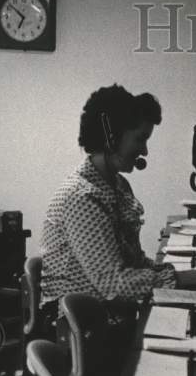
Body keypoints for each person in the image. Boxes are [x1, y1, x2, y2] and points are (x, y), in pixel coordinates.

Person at [41, 84, 178, 309]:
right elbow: (112, 284)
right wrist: (179, 280)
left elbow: (132, 261)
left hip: (108, 311)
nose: (145, 151)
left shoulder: (118, 185)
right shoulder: (82, 197)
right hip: (80, 325)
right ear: (111, 138)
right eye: (140, 139)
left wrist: (172, 273)